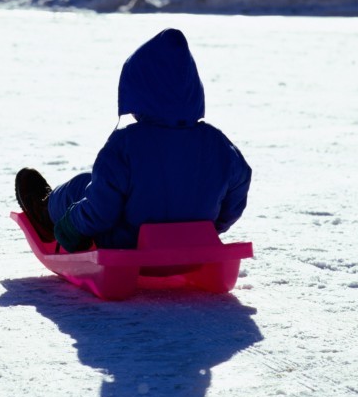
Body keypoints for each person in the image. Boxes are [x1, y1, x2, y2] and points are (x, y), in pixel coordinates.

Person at [14, 28, 252, 253]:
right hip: (193, 246)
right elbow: (240, 183)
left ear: (137, 90)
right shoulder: (219, 144)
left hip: (129, 247)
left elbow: (101, 211)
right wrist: (209, 229)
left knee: (82, 186)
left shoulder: (125, 145)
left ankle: (48, 213)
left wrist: (72, 230)